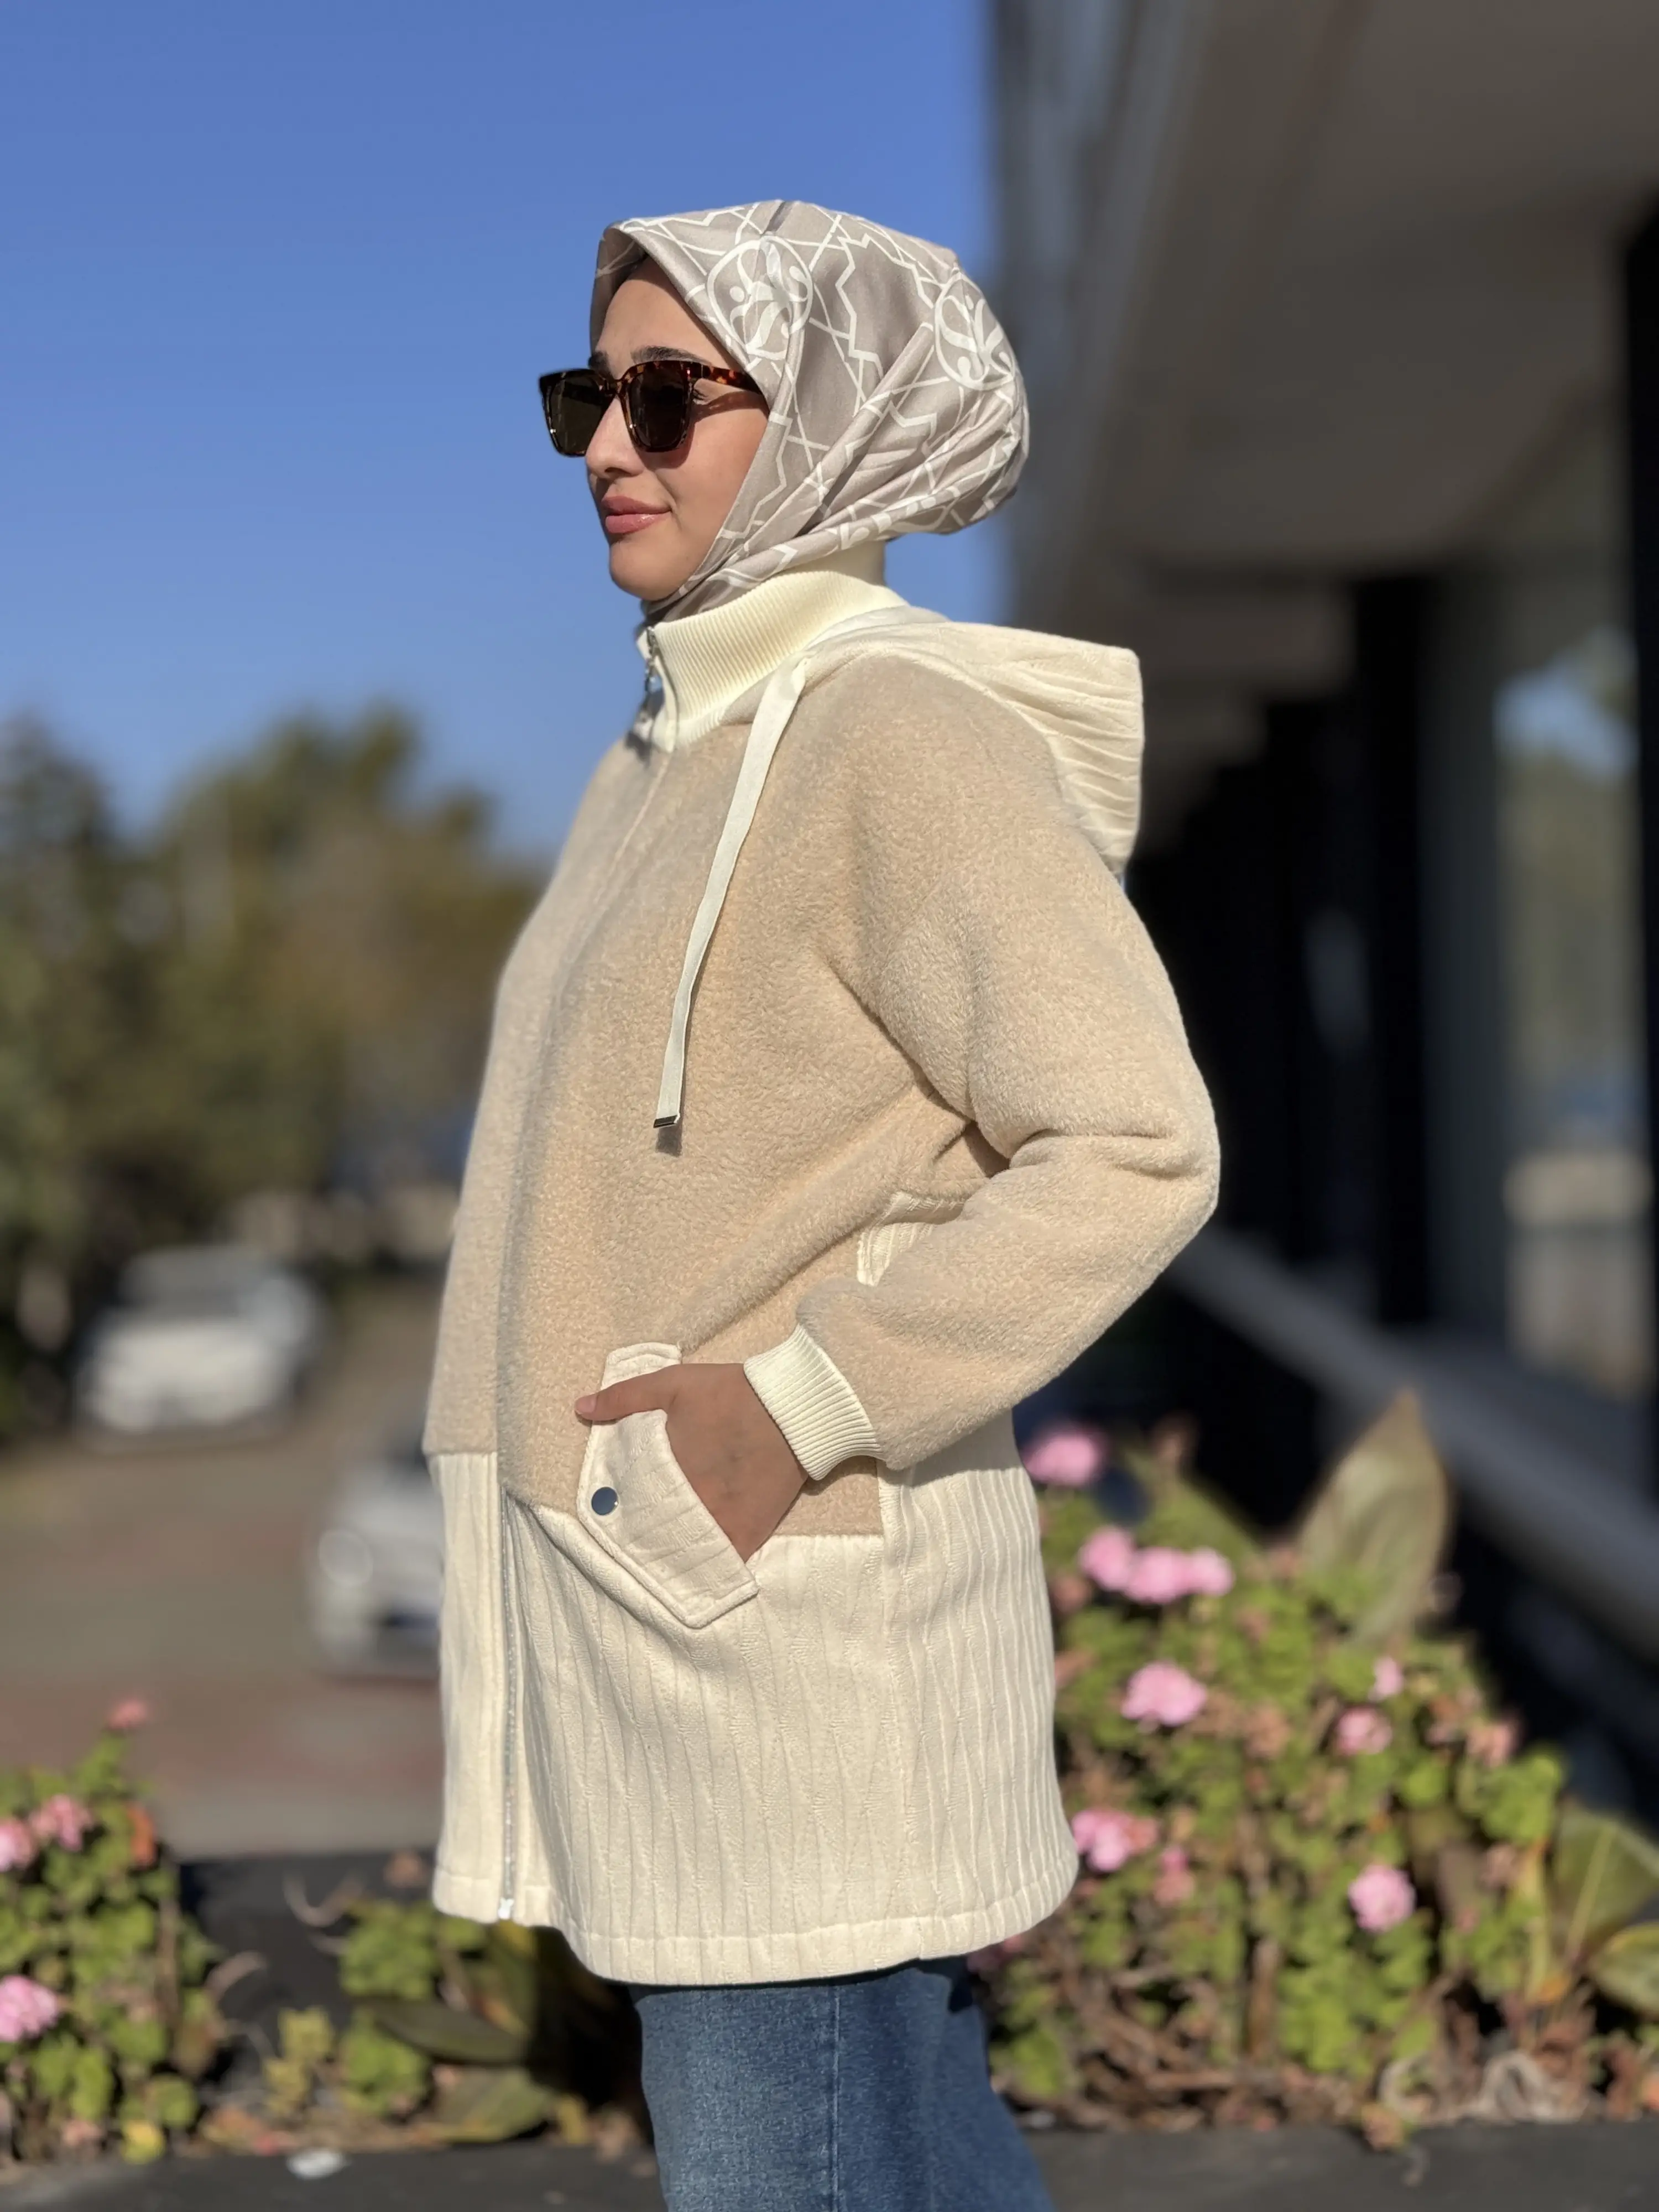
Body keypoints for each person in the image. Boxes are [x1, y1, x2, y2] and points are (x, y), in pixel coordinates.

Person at [424, 201, 1219, 2211]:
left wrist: (795, 1409)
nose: (610, 446)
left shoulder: (895, 735)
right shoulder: (658, 754)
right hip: (672, 1621)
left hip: (780, 1644)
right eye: (585, 397)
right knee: (916, 2155)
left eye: (668, 396)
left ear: (840, 418)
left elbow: (1135, 1142)